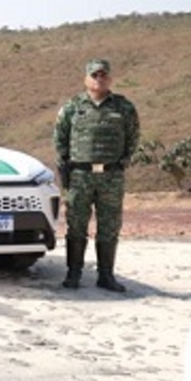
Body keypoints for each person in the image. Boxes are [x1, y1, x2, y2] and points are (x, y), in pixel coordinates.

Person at [53, 58, 140, 293]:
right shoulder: (72, 107)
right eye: (94, 75)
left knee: (109, 227)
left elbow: (133, 137)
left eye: (103, 75)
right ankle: (73, 274)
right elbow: (60, 139)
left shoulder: (123, 107)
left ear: (109, 79)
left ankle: (106, 275)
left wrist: (122, 162)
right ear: (86, 79)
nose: (99, 79)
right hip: (80, 175)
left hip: (111, 176)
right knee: (77, 225)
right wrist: (66, 168)